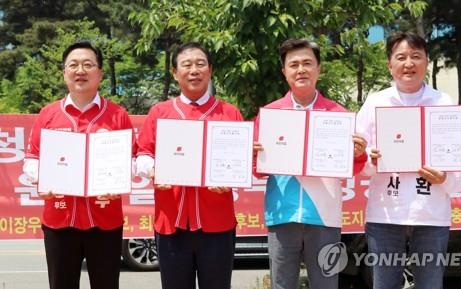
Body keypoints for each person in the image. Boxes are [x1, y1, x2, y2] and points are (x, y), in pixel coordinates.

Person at [356, 31, 461, 289]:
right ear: (390, 64)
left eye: (416, 56)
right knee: (384, 284)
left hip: (430, 212)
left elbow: (460, 161)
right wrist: (370, 158)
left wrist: (444, 178)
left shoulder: (443, 103)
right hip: (385, 213)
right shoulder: (375, 103)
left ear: (426, 62)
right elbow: (356, 159)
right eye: (401, 57)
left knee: (430, 285)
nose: (409, 63)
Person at [253, 39, 368, 289]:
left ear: (319, 68)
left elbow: (353, 166)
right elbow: (257, 168)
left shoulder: (338, 115)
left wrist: (358, 153)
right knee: (282, 284)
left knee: (326, 284)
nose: (301, 69)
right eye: (293, 64)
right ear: (284, 71)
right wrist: (254, 155)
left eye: (307, 63)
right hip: (282, 212)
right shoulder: (271, 114)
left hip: (324, 215)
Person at [23, 41, 136, 289]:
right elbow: (32, 159)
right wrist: (41, 180)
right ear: (64, 73)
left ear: (100, 73)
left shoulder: (117, 115)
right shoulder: (48, 114)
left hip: (105, 220)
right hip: (60, 220)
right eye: (73, 65)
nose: (80, 71)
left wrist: (119, 181)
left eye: (87, 64)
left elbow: (131, 161)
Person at [136, 42, 242, 289]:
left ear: (210, 70)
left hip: (217, 222)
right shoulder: (160, 112)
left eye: (200, 64)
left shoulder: (229, 113)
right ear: (175, 73)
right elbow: (143, 153)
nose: (194, 70)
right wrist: (152, 171)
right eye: (186, 65)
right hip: (171, 222)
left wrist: (231, 180)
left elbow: (238, 162)